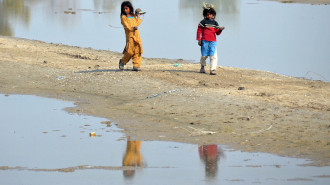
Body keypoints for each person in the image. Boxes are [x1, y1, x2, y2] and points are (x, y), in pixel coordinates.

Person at [196, 3, 225, 75]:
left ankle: (213, 69)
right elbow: (199, 31)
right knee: (204, 56)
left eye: (210, 14)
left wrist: (220, 29)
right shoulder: (203, 22)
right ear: (205, 15)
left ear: (213, 14)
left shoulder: (215, 23)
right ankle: (202, 67)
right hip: (204, 41)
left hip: (213, 42)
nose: (209, 16)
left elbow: (217, 33)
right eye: (207, 14)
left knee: (213, 56)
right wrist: (199, 39)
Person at [119, 1, 143, 71]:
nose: (125, 10)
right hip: (130, 37)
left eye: (126, 8)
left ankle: (136, 65)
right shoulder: (124, 18)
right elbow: (127, 26)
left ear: (130, 8)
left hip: (137, 36)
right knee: (129, 51)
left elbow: (137, 23)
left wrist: (138, 16)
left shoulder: (133, 16)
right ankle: (122, 62)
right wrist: (133, 28)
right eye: (124, 9)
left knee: (137, 51)